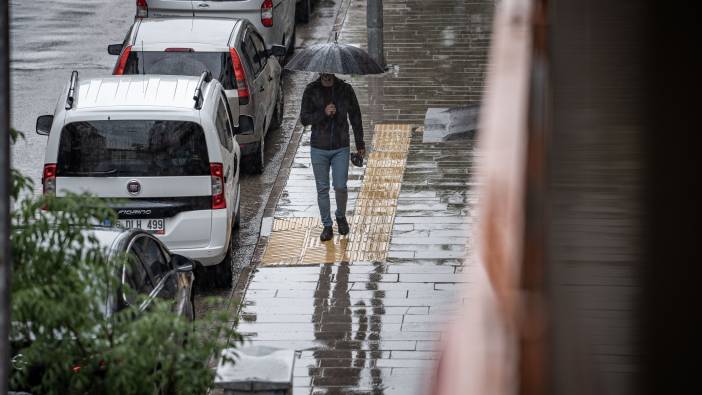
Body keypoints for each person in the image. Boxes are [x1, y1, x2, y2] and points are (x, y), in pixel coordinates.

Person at [300, 73, 366, 241]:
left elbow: (356, 117)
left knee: (340, 186)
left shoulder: (345, 89)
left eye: (330, 72)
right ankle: (327, 225)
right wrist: (323, 112)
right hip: (318, 148)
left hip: (340, 147)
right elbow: (304, 118)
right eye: (324, 73)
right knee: (322, 189)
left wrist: (360, 144)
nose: (327, 76)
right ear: (321, 72)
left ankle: (340, 215)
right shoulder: (311, 90)